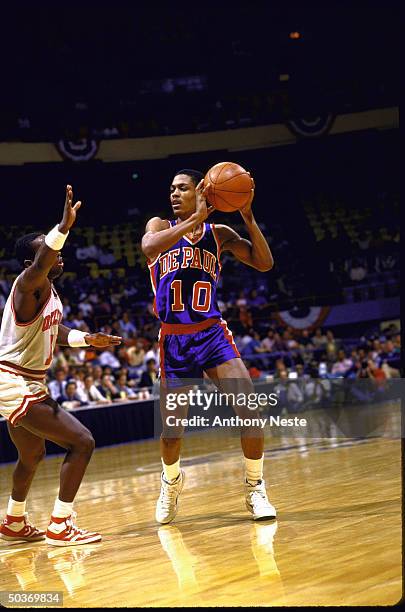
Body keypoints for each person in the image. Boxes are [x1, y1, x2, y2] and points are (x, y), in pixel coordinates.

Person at [141, 168, 276, 524]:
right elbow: (149, 247)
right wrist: (194, 218)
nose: (173, 193)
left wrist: (247, 216)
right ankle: (171, 482)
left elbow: (264, 263)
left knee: (250, 410)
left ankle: (255, 487)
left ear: (201, 190)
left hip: (212, 334)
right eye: (171, 188)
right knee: (171, 434)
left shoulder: (219, 234)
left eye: (182, 188)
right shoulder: (159, 226)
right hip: (174, 339)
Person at [0, 185, 122, 546]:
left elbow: (57, 331)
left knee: (32, 454)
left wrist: (89, 339)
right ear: (31, 263)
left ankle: (14, 522)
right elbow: (42, 261)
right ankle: (60, 525)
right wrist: (64, 226)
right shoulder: (27, 283)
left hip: (28, 381)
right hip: (13, 381)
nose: (58, 255)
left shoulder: (48, 294)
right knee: (83, 442)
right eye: (48, 249)